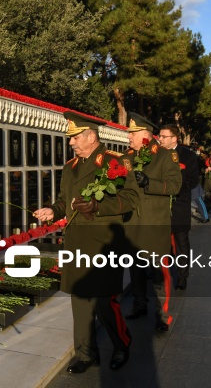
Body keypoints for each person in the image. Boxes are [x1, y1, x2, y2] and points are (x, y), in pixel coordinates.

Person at [33, 111, 138, 373]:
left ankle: (121, 343)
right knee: (80, 299)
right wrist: (53, 211)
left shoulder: (115, 162)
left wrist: (98, 205)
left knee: (104, 301)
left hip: (104, 242)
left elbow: (132, 200)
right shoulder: (70, 167)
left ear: (91, 136)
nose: (71, 143)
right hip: (77, 241)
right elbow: (62, 199)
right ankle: (85, 353)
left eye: (75, 138)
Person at [123, 113, 181, 332]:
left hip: (155, 223)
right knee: (136, 268)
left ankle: (162, 312)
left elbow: (175, 185)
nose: (128, 137)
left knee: (159, 271)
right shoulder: (127, 157)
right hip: (132, 224)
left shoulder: (165, 156)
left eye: (132, 133)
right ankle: (140, 304)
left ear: (145, 135)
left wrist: (150, 183)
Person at [158, 124, 199, 290]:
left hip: (179, 204)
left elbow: (193, 179)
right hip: (160, 206)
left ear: (174, 138)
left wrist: (175, 190)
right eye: (159, 136)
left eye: (163, 136)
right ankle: (161, 273)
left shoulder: (187, 155)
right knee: (161, 242)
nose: (159, 139)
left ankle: (182, 276)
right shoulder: (156, 154)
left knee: (182, 242)